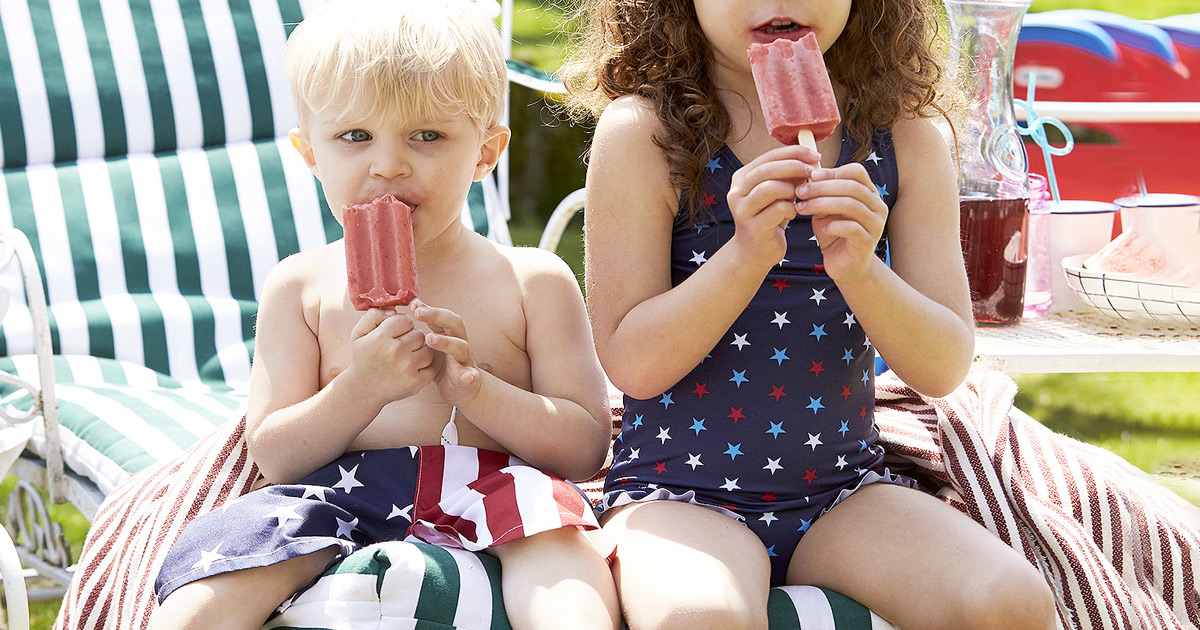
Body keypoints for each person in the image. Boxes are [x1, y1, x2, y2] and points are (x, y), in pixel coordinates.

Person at [561, 1, 1058, 629]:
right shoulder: (645, 133)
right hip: (678, 490)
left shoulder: (904, 135)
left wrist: (862, 270)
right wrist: (743, 257)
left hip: (842, 491)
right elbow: (632, 362)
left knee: (1012, 602)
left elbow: (942, 365)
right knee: (700, 617)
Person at [147, 2, 619, 629]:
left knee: (565, 569)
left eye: (428, 135)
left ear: (486, 151)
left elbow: (585, 448)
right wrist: (360, 387)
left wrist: (477, 390)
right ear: (309, 152)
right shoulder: (301, 287)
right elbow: (278, 458)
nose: (388, 163)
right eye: (354, 136)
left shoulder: (531, 281)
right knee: (203, 598)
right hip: (338, 495)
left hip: (499, 488)